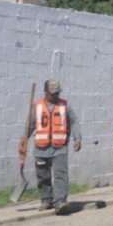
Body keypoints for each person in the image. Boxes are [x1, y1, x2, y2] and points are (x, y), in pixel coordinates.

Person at [19, 79, 81, 215]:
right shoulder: (37, 106)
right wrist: (24, 141)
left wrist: (77, 139)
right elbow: (30, 126)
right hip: (41, 148)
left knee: (61, 175)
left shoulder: (65, 106)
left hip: (60, 147)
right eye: (52, 93)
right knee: (43, 176)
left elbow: (74, 122)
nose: (55, 96)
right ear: (45, 92)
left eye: (57, 93)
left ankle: (60, 202)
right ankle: (46, 201)